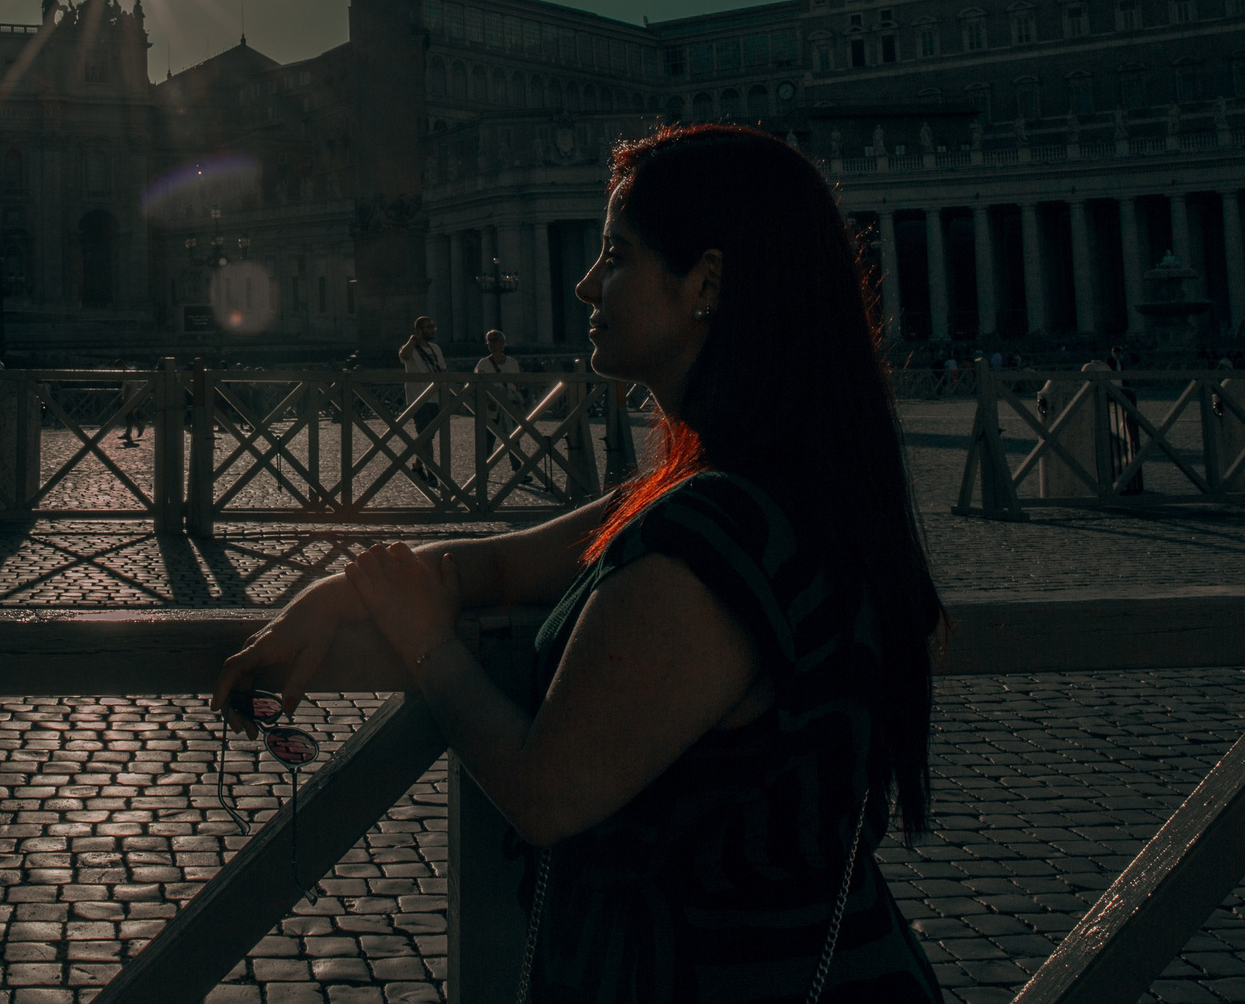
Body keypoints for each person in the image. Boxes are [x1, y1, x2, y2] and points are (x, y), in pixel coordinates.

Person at [217, 124, 943, 1004]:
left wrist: (423, 646)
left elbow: (545, 790)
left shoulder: (711, 540)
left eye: (617, 255)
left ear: (704, 284)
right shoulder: (731, 487)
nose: (586, 282)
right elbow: (481, 572)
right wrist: (339, 594)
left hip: (725, 979)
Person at [399, 315, 447, 490]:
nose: (433, 329)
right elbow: (403, 355)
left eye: (433, 326)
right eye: (428, 327)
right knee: (426, 436)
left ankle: (417, 467)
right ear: (419, 330)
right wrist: (413, 340)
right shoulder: (410, 349)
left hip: (434, 397)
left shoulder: (436, 348)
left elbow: (443, 370)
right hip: (417, 398)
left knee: (427, 436)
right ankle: (432, 474)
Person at [471, 328, 520, 474]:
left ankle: (519, 470)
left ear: (503, 342)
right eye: (489, 340)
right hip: (492, 407)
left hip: (509, 405)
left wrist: (518, 402)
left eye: (495, 340)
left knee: (513, 439)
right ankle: (483, 471)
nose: (491, 343)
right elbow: (479, 385)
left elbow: (517, 384)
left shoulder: (512, 362)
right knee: (488, 441)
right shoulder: (483, 363)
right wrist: (488, 401)